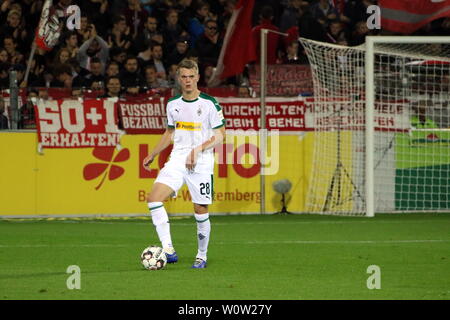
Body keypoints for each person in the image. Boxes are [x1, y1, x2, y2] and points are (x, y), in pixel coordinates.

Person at [142, 58, 226, 269]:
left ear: (197, 77)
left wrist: (198, 150)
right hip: (178, 158)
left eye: (191, 76)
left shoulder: (209, 103)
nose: (188, 81)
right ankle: (168, 249)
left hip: (202, 161)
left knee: (200, 210)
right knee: (153, 199)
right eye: (184, 77)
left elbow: (221, 135)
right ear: (178, 79)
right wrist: (153, 153)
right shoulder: (173, 104)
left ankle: (202, 255)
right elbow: (170, 132)